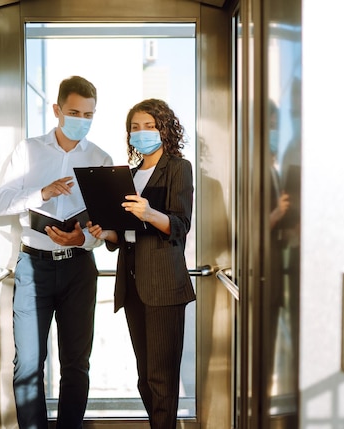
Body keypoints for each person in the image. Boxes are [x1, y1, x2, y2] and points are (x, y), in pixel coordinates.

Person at [0, 75, 113, 428]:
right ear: (57, 110)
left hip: (79, 269)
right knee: (28, 364)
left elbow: (103, 228)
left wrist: (84, 239)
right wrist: (41, 194)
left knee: (77, 364)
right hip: (34, 266)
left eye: (89, 115)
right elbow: (0, 203)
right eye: (75, 112)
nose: (82, 120)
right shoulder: (27, 150)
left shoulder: (101, 158)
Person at [87, 98, 195, 429]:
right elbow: (127, 235)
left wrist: (150, 213)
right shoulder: (129, 176)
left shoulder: (178, 168)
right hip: (132, 283)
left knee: (162, 379)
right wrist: (106, 231)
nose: (141, 132)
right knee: (145, 378)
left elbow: (179, 225)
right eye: (135, 127)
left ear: (164, 129)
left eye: (149, 126)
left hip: (164, 284)